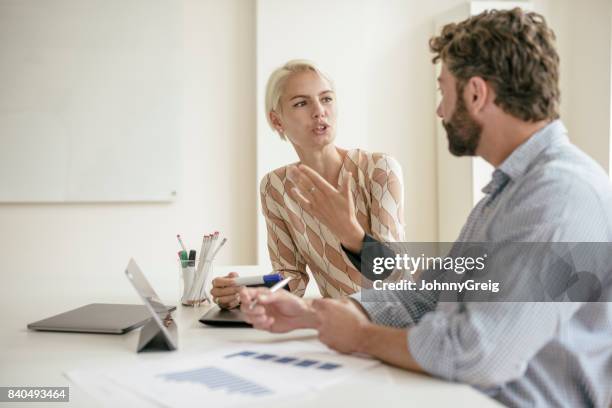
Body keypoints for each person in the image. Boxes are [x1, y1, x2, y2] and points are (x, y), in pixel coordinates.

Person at [239, 8, 612, 408]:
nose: (439, 110)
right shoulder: (508, 191)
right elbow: (430, 295)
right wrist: (314, 314)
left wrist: (361, 336)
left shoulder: (559, 195)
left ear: (475, 94)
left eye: (443, 91)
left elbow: (480, 355)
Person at [211, 60, 406, 309]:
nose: (319, 111)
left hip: (394, 317)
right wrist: (247, 291)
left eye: (326, 99)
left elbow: (395, 275)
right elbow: (292, 278)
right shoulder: (275, 187)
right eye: (301, 103)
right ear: (277, 121)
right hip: (337, 322)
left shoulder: (379, 169)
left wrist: (350, 232)